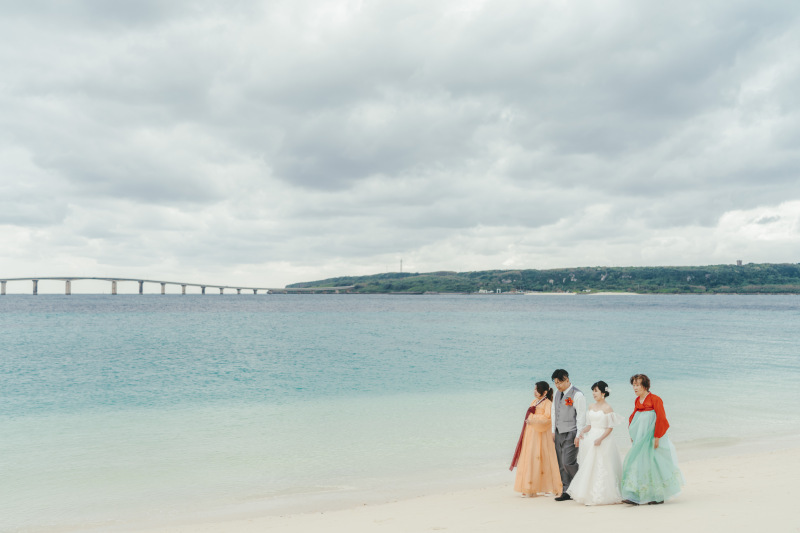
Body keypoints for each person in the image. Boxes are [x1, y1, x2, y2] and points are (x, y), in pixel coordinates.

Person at [621, 374, 684, 505]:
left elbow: (661, 418)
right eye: (633, 385)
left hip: (653, 437)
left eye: (637, 385)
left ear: (645, 385)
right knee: (639, 462)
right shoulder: (638, 400)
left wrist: (657, 437)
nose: (635, 388)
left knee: (654, 463)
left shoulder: (656, 399)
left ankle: (658, 496)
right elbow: (635, 418)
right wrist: (633, 435)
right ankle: (635, 494)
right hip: (641, 438)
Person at [566, 381, 623, 505]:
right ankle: (587, 493)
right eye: (593, 391)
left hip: (603, 440)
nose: (593, 393)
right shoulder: (591, 406)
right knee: (589, 465)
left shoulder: (608, 408)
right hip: (591, 438)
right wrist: (582, 432)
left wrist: (601, 439)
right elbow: (589, 425)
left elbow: (610, 427)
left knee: (601, 465)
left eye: (596, 391)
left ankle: (601, 495)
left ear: (603, 393)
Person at [510, 381, 563, 497]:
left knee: (543, 457)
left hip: (542, 434)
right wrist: (531, 420)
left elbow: (548, 419)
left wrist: (533, 419)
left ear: (544, 392)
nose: (534, 391)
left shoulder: (548, 403)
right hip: (531, 433)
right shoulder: (534, 401)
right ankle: (530, 487)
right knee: (530, 457)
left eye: (536, 390)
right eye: (534, 389)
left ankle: (548, 487)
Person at [551, 369, 586, 501]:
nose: (558, 385)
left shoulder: (577, 395)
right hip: (559, 431)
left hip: (571, 432)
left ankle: (580, 485)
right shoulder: (556, 394)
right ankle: (566, 491)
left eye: (559, 382)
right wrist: (553, 431)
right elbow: (554, 412)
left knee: (568, 462)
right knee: (561, 463)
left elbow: (581, 417)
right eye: (555, 383)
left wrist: (578, 435)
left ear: (567, 379)